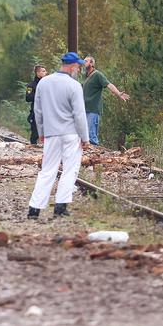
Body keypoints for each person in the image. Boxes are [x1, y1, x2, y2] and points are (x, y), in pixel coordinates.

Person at [28, 52, 90, 220]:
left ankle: (34, 209)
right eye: (77, 66)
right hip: (71, 134)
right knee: (70, 169)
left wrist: (41, 132)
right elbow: (79, 114)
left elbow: (38, 111)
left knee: (47, 170)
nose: (78, 69)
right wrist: (85, 138)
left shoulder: (44, 83)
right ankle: (60, 207)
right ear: (71, 66)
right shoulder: (74, 85)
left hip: (52, 134)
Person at [81, 55, 129, 146]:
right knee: (84, 134)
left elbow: (109, 84)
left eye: (86, 61)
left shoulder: (97, 74)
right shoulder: (85, 76)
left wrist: (118, 93)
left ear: (91, 63)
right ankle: (88, 154)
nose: (84, 63)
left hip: (93, 109)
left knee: (91, 134)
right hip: (84, 109)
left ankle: (94, 154)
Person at [24, 64, 48, 145]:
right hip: (35, 112)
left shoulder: (47, 84)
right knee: (35, 132)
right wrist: (39, 95)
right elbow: (28, 98)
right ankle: (33, 148)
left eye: (45, 71)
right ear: (38, 73)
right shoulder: (31, 85)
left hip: (47, 111)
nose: (46, 73)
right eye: (43, 71)